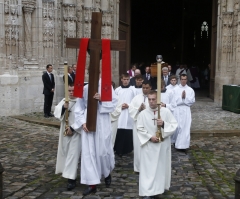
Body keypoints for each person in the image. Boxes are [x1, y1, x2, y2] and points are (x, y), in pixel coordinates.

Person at [73, 74, 118, 196]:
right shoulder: (85, 88)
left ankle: (107, 172)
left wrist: (102, 99)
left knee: (103, 152)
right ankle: (91, 184)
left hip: (102, 122)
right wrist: (82, 122)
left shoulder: (107, 87)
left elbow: (114, 104)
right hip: (88, 122)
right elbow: (79, 108)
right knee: (89, 153)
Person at [137, 91, 178, 199]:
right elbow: (139, 128)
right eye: (149, 99)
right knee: (148, 170)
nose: (151, 102)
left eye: (153, 99)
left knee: (160, 169)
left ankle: (158, 189)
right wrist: (150, 137)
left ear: (158, 99)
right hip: (148, 146)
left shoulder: (165, 112)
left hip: (162, 146)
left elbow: (174, 126)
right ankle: (147, 192)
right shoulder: (143, 114)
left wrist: (164, 124)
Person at [54, 85, 81, 191]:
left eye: (73, 90)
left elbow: (83, 117)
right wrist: (63, 108)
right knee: (65, 152)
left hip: (76, 132)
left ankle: (71, 178)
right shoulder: (65, 101)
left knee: (73, 154)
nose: (70, 93)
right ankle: (67, 172)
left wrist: (73, 128)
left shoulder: (81, 102)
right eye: (69, 91)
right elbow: (57, 112)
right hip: (64, 132)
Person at [129, 80, 152, 172]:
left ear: (150, 88)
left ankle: (148, 167)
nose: (145, 90)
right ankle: (138, 167)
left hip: (149, 125)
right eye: (143, 88)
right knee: (138, 145)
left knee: (148, 146)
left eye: (147, 88)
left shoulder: (154, 98)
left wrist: (146, 110)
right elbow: (131, 110)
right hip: (138, 125)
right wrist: (138, 110)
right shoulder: (136, 98)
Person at [114, 73, 136, 157]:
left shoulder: (133, 90)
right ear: (121, 80)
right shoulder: (117, 90)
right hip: (120, 112)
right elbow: (114, 101)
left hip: (129, 113)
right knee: (119, 130)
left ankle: (128, 149)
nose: (126, 81)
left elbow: (135, 101)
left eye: (127, 79)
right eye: (124, 79)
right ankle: (118, 149)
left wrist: (129, 106)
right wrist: (119, 106)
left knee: (128, 130)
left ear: (129, 80)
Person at [171, 74, 195, 151]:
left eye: (185, 79)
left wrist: (185, 98)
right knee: (177, 127)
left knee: (185, 128)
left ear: (187, 80)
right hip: (177, 110)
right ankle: (176, 142)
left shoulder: (190, 90)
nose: (183, 81)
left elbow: (192, 101)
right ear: (180, 80)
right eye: (182, 79)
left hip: (186, 110)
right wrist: (181, 98)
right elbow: (173, 101)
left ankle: (183, 146)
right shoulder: (175, 89)